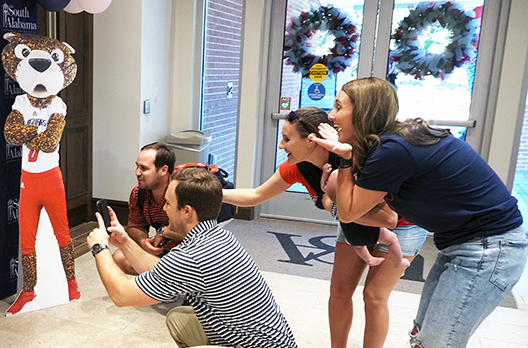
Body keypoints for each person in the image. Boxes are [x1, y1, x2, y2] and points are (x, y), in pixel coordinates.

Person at [311, 76, 528, 348]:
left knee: (435, 343)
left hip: (488, 247)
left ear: (364, 112)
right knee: (421, 334)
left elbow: (350, 211)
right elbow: (363, 211)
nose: (331, 116)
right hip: (462, 244)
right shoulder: (391, 144)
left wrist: (344, 159)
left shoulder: (394, 150)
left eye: (339, 107)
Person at [222, 106, 426, 348]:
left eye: (287, 139)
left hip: (403, 224)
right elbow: (256, 195)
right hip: (354, 222)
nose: (281, 146)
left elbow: (388, 219)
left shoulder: (355, 160)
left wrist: (331, 203)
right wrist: (212, 193)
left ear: (311, 141)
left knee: (374, 297)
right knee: (339, 292)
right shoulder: (297, 166)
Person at [87, 168, 298, 348]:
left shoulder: (193, 256)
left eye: (168, 203)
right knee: (179, 317)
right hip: (270, 339)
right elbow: (159, 270)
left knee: (181, 318)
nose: (164, 208)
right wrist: (124, 241)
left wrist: (99, 247)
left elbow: (122, 295)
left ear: (187, 211)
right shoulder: (217, 235)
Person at [321, 164, 410, 269]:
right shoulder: (356, 201)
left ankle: (369, 259)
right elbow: (379, 201)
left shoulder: (333, 199)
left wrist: (325, 174)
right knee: (392, 240)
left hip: (350, 236)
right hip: (367, 231)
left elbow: (323, 187)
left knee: (359, 246)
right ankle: (398, 262)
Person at [112, 142, 177, 275]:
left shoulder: (181, 192)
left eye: (144, 168)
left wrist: (164, 232)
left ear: (164, 170)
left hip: (189, 256)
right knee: (119, 258)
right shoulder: (138, 193)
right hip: (162, 252)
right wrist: (143, 240)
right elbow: (134, 226)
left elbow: (197, 233)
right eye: (137, 166)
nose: (137, 173)